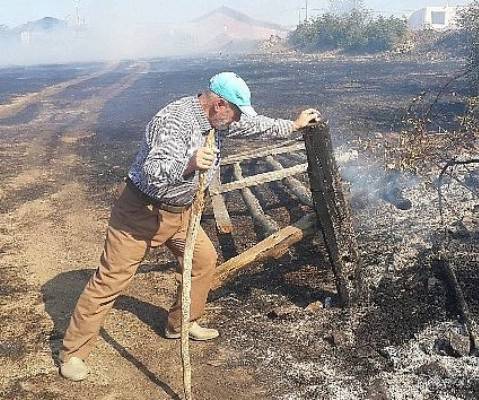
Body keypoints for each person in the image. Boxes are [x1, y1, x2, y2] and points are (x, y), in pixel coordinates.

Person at [59, 72, 321, 382]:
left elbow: (252, 125)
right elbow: (153, 171)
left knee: (204, 262)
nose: (236, 120)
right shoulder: (174, 121)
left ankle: (180, 323)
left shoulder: (217, 119)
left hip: (182, 213)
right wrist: (190, 163)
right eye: (235, 112)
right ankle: (73, 352)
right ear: (219, 104)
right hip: (140, 213)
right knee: (111, 279)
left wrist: (293, 125)